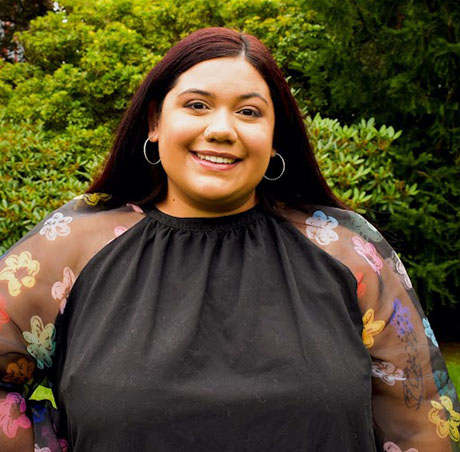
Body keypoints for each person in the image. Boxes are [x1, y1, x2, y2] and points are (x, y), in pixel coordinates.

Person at [0, 27, 458, 452]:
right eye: (197, 105)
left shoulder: (345, 248)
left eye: (249, 111)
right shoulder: (75, 246)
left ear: (275, 137)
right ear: (155, 122)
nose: (221, 129)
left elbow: (421, 418)